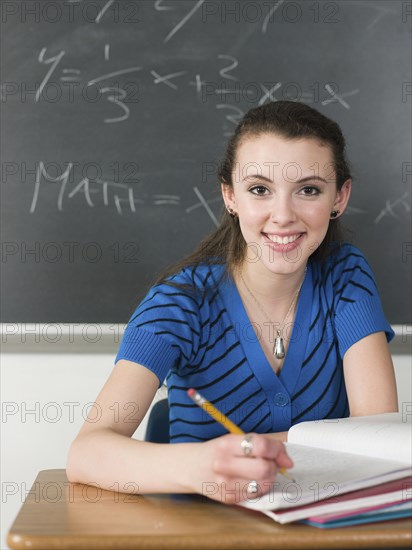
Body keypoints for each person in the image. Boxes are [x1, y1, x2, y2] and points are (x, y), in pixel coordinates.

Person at [66, 101, 398, 504]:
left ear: (339, 198)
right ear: (230, 196)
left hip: (319, 531)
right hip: (207, 534)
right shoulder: (181, 302)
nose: (282, 215)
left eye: (308, 190)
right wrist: (198, 466)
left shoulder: (346, 274)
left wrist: (267, 447)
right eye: (260, 190)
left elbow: (378, 435)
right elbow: (85, 454)